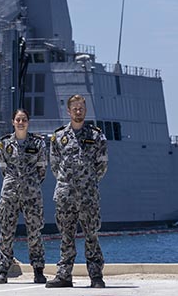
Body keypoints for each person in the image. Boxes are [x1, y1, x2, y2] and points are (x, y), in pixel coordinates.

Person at [46, 94, 108, 289]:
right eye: (75, 108)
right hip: (65, 194)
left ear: (85, 110)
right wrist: (68, 182)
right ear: (69, 111)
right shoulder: (59, 137)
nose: (78, 111)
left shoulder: (96, 136)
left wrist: (87, 181)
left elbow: (102, 165)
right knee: (66, 235)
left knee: (91, 234)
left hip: (88, 194)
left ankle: (96, 276)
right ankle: (64, 275)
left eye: (81, 108)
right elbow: (54, 165)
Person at [0, 109, 48, 284]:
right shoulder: (4, 143)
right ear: (12, 122)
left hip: (32, 194)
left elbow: (42, 169)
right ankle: (3, 270)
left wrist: (29, 183)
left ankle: (38, 270)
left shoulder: (38, 143)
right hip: (10, 193)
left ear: (28, 122)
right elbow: (3, 168)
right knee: (6, 231)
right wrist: (15, 182)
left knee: (34, 232)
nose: (21, 122)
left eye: (24, 119)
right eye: (18, 119)